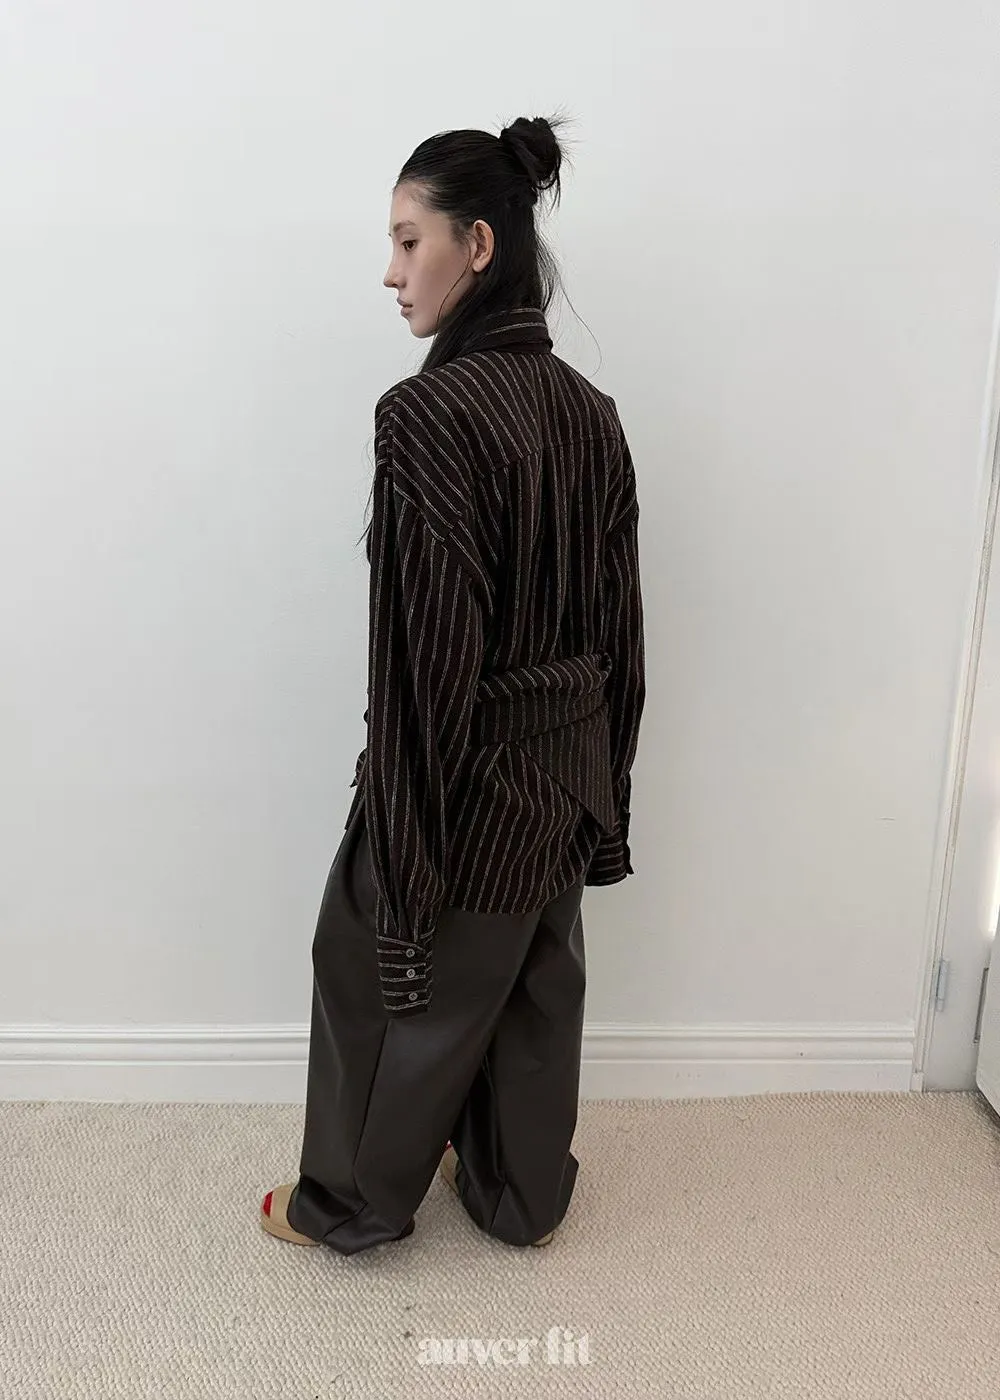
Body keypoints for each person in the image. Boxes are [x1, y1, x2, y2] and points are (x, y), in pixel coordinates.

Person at [261, 114, 645, 1255]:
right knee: (531, 986)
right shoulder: (591, 413)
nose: (391, 272)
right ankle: (521, 1195)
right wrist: (608, 798)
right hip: (569, 770)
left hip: (472, 782)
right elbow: (621, 632)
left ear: (477, 245)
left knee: (374, 970)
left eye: (407, 239)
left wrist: (404, 855)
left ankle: (349, 1203)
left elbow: (425, 662)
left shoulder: (424, 415)